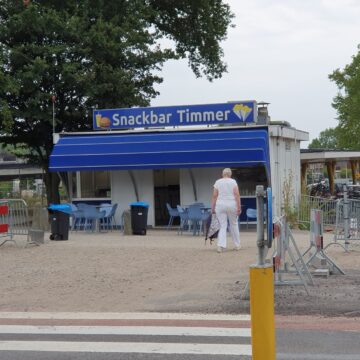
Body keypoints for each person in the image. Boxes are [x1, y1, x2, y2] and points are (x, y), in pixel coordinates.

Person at [211, 168, 241, 253]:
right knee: (233, 224)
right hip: (232, 204)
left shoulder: (217, 182)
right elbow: (237, 195)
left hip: (220, 205)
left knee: (222, 225)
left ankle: (220, 246)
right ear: (230, 174)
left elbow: (214, 196)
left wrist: (212, 208)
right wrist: (239, 207)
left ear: (222, 174)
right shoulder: (233, 182)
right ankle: (237, 245)